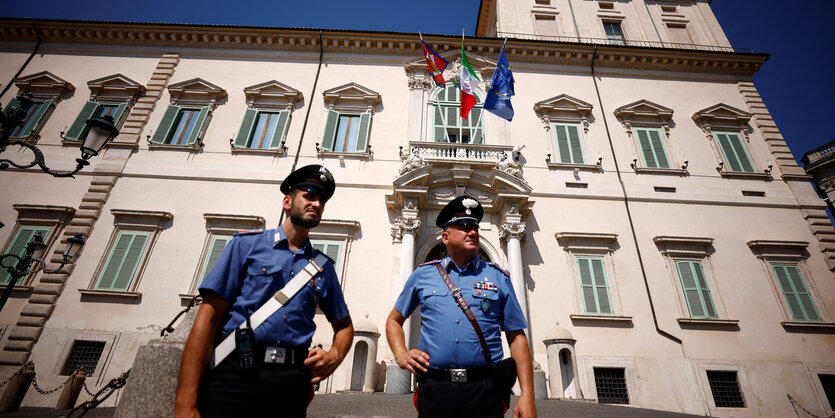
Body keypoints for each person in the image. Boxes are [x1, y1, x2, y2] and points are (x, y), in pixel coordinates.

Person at [175, 164, 354, 418]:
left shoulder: (322, 267)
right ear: (287, 201)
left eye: (322, 200)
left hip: (291, 382)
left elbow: (344, 325)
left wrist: (335, 356)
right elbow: (209, 318)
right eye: (309, 195)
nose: (316, 203)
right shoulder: (246, 246)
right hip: (236, 372)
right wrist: (185, 404)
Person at [386, 195, 537, 418]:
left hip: (485, 389)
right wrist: (400, 354)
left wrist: (527, 396)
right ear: (446, 237)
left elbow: (517, 337)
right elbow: (394, 320)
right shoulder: (423, 275)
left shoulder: (498, 277)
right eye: (464, 227)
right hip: (436, 388)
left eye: (475, 227)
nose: (473, 232)